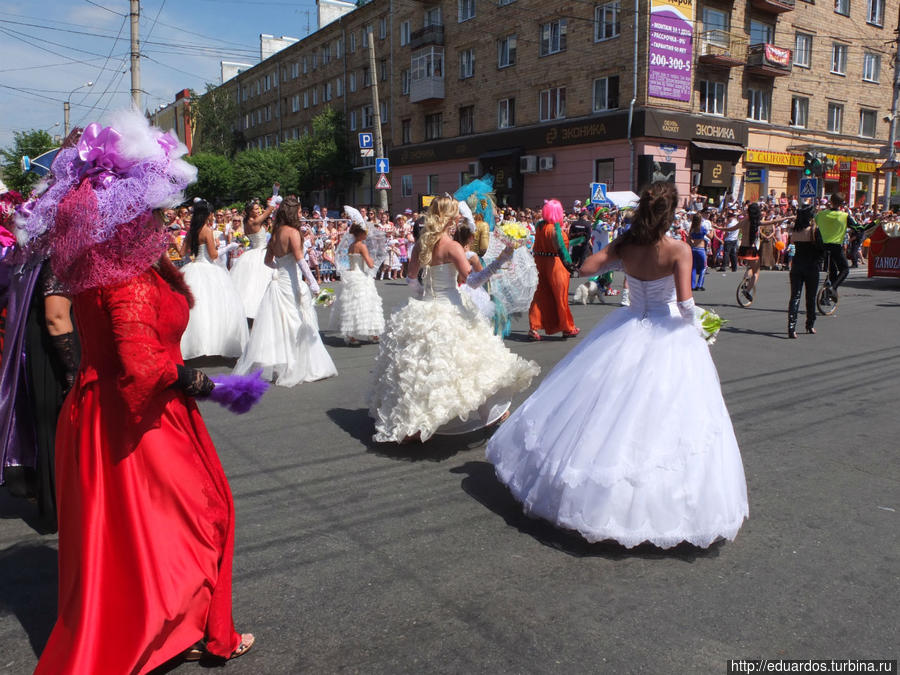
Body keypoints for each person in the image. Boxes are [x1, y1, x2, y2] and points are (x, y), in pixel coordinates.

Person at [28, 111, 254, 673]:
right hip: (139, 417)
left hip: (96, 410)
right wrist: (216, 386)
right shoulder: (126, 274)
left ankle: (172, 626)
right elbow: (143, 363)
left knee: (132, 542)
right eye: (157, 209)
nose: (167, 218)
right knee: (204, 514)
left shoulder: (100, 264)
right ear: (130, 214)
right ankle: (184, 630)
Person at [486, 182, 748, 549]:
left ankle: (581, 495)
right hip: (666, 329)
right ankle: (641, 508)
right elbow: (686, 306)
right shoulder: (678, 249)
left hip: (627, 326)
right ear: (671, 214)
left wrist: (611, 247)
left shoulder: (626, 243)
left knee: (601, 410)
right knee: (661, 417)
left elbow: (586, 268)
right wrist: (705, 324)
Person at [368, 196, 538, 443]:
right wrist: (501, 260)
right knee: (470, 364)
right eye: (457, 216)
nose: (459, 219)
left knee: (419, 372)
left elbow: (412, 280)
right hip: (451, 307)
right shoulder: (452, 247)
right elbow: (473, 281)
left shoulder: (420, 245)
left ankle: (413, 425)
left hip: (424, 307)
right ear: (450, 219)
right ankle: (491, 414)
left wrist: (422, 299)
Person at [234, 196, 337, 386]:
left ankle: (284, 364)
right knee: (297, 321)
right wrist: (314, 285)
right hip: (292, 283)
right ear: (293, 213)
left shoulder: (275, 232)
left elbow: (267, 261)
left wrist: (279, 269)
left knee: (280, 324)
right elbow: (300, 260)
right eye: (298, 211)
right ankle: (297, 365)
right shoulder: (292, 232)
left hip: (277, 283)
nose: (300, 214)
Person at [179, 200, 249, 359]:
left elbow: (183, 252)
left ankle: (192, 345)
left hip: (193, 266)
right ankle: (211, 344)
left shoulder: (191, 231)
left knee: (196, 309)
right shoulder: (207, 231)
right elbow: (213, 255)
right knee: (215, 307)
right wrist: (229, 247)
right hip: (208, 268)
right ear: (207, 214)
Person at [714, 203, 792, 302]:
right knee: (756, 272)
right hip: (751, 249)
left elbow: (729, 229)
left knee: (750, 267)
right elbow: (774, 221)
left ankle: (745, 280)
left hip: (742, 249)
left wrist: (718, 227)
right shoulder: (756, 222)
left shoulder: (743, 222)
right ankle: (747, 290)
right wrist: (788, 217)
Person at [528, 199, 579, 341]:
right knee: (560, 296)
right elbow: (560, 248)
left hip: (539, 262)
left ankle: (533, 327)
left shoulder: (539, 226)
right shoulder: (555, 229)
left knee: (539, 295)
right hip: (555, 264)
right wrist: (570, 264)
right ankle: (567, 328)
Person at [331, 220, 385, 344]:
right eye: (365, 232)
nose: (367, 234)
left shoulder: (351, 246)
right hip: (361, 276)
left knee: (352, 306)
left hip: (351, 275)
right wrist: (371, 258)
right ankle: (372, 334)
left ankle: (351, 335)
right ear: (360, 233)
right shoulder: (362, 246)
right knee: (368, 304)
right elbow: (370, 264)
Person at [230, 198, 276, 319]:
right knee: (260, 283)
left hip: (252, 252)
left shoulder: (246, 222)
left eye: (258, 208)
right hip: (260, 252)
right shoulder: (255, 222)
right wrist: (275, 194)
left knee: (250, 284)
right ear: (250, 211)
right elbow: (270, 209)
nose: (258, 210)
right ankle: (259, 309)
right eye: (256, 209)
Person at [786, 203, 823, 338]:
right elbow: (821, 249)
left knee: (795, 297)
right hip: (811, 266)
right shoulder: (814, 230)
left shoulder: (795, 231)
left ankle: (791, 328)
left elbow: (792, 242)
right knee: (811, 297)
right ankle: (810, 324)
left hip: (797, 265)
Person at [814, 193, 854, 298]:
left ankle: (825, 297)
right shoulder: (844, 216)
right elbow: (859, 228)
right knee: (845, 269)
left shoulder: (821, 214)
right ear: (841, 204)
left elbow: (815, 224)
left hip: (824, 246)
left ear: (830, 201)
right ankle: (833, 288)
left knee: (832, 271)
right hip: (836, 246)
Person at [688, 213, 709, 291]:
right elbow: (710, 236)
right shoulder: (702, 228)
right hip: (700, 249)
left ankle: (692, 285)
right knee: (703, 267)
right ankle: (699, 285)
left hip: (693, 248)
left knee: (693, 267)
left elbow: (688, 238)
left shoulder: (692, 229)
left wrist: (691, 244)